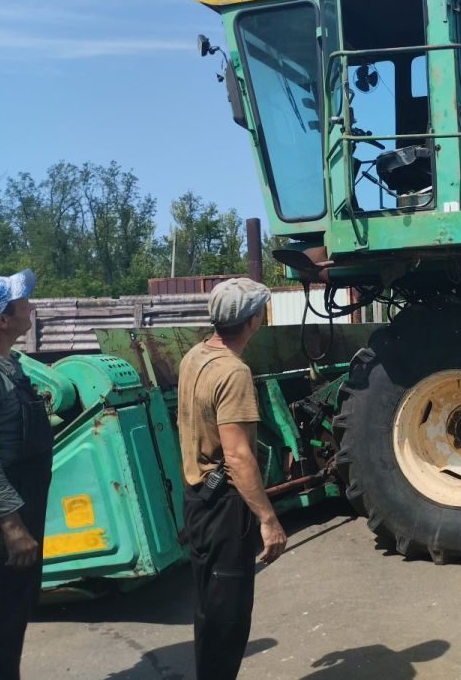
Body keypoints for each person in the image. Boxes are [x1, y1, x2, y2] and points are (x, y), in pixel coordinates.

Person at [178, 277, 287, 680]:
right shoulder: (233, 372)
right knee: (229, 616)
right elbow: (238, 457)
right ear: (254, 319)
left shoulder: (195, 356)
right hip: (223, 503)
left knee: (209, 605)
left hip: (199, 497)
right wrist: (268, 519)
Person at [0, 269, 54, 680]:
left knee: (13, 621)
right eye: (23, 301)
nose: (30, 305)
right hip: (4, 527)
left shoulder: (10, 365)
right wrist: (12, 523)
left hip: (24, 509)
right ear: (2, 319)